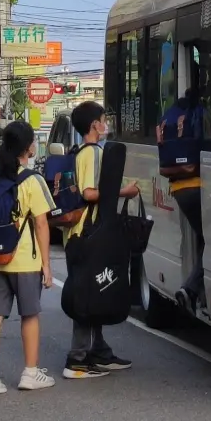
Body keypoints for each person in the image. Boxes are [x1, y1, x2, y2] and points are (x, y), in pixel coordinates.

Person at [0, 120, 56, 397]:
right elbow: (42, 224)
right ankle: (30, 373)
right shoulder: (32, 180)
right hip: (23, 262)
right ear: (29, 148)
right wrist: (46, 264)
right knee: (29, 315)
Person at [63, 101, 139, 379]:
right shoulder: (92, 153)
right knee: (86, 296)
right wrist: (124, 192)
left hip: (84, 233)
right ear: (95, 124)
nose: (106, 124)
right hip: (88, 233)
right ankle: (78, 358)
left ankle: (99, 351)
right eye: (103, 119)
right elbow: (90, 192)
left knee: (96, 291)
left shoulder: (84, 152)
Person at [160, 87, 207, 312]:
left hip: (178, 186)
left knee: (202, 237)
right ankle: (190, 289)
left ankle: (198, 289)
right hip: (198, 185)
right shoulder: (200, 112)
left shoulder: (171, 113)